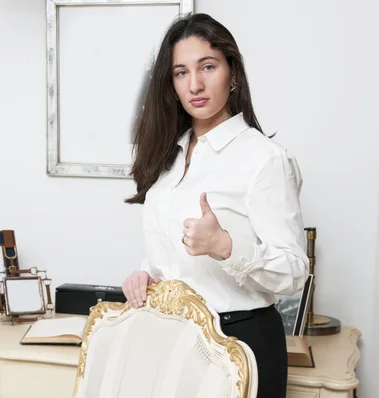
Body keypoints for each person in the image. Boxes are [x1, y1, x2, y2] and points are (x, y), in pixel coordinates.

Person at [121, 12, 309, 398]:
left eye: (208, 66)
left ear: (232, 73)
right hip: (173, 337)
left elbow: (294, 272)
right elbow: (171, 252)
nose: (196, 84)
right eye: (181, 72)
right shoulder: (168, 157)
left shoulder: (265, 159)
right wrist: (146, 276)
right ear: (170, 84)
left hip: (240, 341)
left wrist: (225, 246)